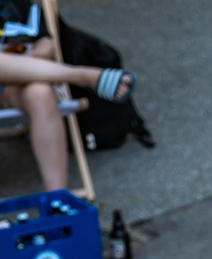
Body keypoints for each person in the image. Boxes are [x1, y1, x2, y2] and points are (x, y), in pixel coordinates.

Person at [0, 35, 135, 191]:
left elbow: (47, 45)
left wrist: (22, 65)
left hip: (15, 83)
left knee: (40, 93)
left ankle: (58, 199)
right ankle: (80, 76)